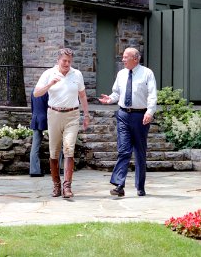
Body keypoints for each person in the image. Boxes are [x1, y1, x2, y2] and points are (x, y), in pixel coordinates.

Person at [99, 47, 157, 197]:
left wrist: (150, 112)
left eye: (126, 57)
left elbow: (152, 95)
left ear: (135, 59)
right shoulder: (121, 74)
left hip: (140, 116)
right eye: (123, 57)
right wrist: (110, 99)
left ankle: (140, 186)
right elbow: (117, 93)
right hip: (123, 115)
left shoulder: (147, 73)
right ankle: (119, 185)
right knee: (123, 150)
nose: (123, 59)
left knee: (140, 152)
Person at [33, 47, 90, 198]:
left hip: (72, 114)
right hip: (54, 114)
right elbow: (36, 93)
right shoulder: (48, 74)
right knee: (54, 152)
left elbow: (82, 95)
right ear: (58, 60)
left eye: (69, 61)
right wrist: (50, 83)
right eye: (64, 61)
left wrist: (86, 115)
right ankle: (56, 186)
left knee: (69, 149)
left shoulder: (77, 74)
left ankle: (67, 187)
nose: (67, 64)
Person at [29, 90, 48, 177]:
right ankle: (57, 169)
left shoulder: (33, 91)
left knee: (35, 147)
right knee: (57, 145)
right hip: (46, 119)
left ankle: (34, 171)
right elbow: (49, 107)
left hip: (35, 118)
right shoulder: (47, 92)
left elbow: (32, 107)